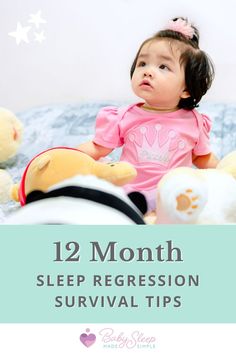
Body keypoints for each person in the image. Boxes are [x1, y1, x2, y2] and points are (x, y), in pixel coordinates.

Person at [78, 17, 219, 212]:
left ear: (186, 89)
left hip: (172, 194)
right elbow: (97, 148)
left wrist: (225, 174)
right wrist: (67, 155)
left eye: (163, 67)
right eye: (142, 63)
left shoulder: (194, 122)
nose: (148, 72)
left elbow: (203, 159)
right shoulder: (124, 116)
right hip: (127, 190)